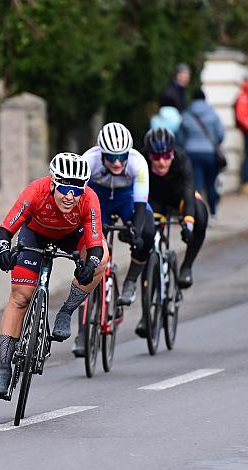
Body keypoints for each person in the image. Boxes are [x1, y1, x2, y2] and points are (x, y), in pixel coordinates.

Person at [0, 152, 108, 398]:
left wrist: (91, 263)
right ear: (53, 183)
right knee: (21, 298)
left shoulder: (89, 199)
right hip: (35, 235)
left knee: (103, 258)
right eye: (65, 188)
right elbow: (5, 229)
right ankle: (3, 368)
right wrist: (3, 252)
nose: (70, 196)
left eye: (77, 189)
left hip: (72, 237)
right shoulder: (36, 190)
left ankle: (66, 312)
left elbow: (95, 243)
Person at [82, 122, 155, 343]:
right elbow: (80, 201)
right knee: (89, 249)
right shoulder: (88, 160)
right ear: (101, 152)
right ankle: (83, 332)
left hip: (126, 198)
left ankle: (131, 280)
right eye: (111, 157)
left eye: (121, 157)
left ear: (128, 153)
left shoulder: (138, 162)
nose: (116, 162)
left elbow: (141, 204)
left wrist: (136, 229)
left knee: (148, 232)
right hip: (98, 198)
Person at [143, 127, 208, 288]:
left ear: (172, 153)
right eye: (156, 157)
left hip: (179, 197)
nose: (161, 162)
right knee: (147, 238)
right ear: (149, 155)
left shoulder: (182, 159)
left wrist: (189, 223)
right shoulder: (141, 160)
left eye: (166, 156)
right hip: (154, 199)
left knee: (200, 212)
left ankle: (187, 266)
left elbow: (188, 190)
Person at [178, 88, 225, 217]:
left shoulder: (186, 114)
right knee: (211, 184)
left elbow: (180, 138)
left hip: (191, 153)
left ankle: (197, 213)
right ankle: (213, 212)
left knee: (196, 184)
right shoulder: (212, 113)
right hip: (209, 153)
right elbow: (220, 134)